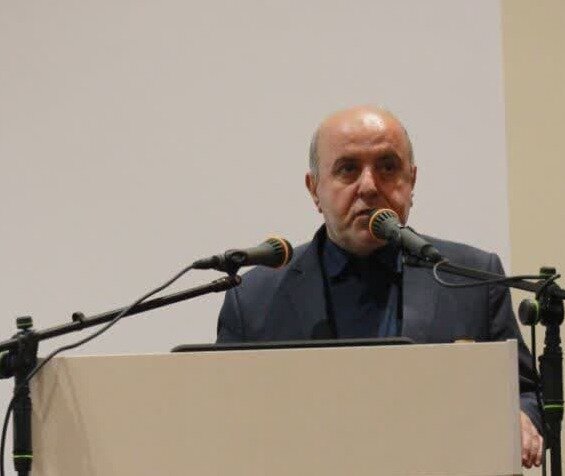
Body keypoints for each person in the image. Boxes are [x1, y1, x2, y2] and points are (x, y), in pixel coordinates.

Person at [217, 105, 544, 468]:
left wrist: (522, 418)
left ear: (411, 181)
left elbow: (525, 392)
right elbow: (225, 418)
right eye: (348, 169)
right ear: (314, 190)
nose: (370, 186)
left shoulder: (472, 277)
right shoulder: (253, 297)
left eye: (387, 167)